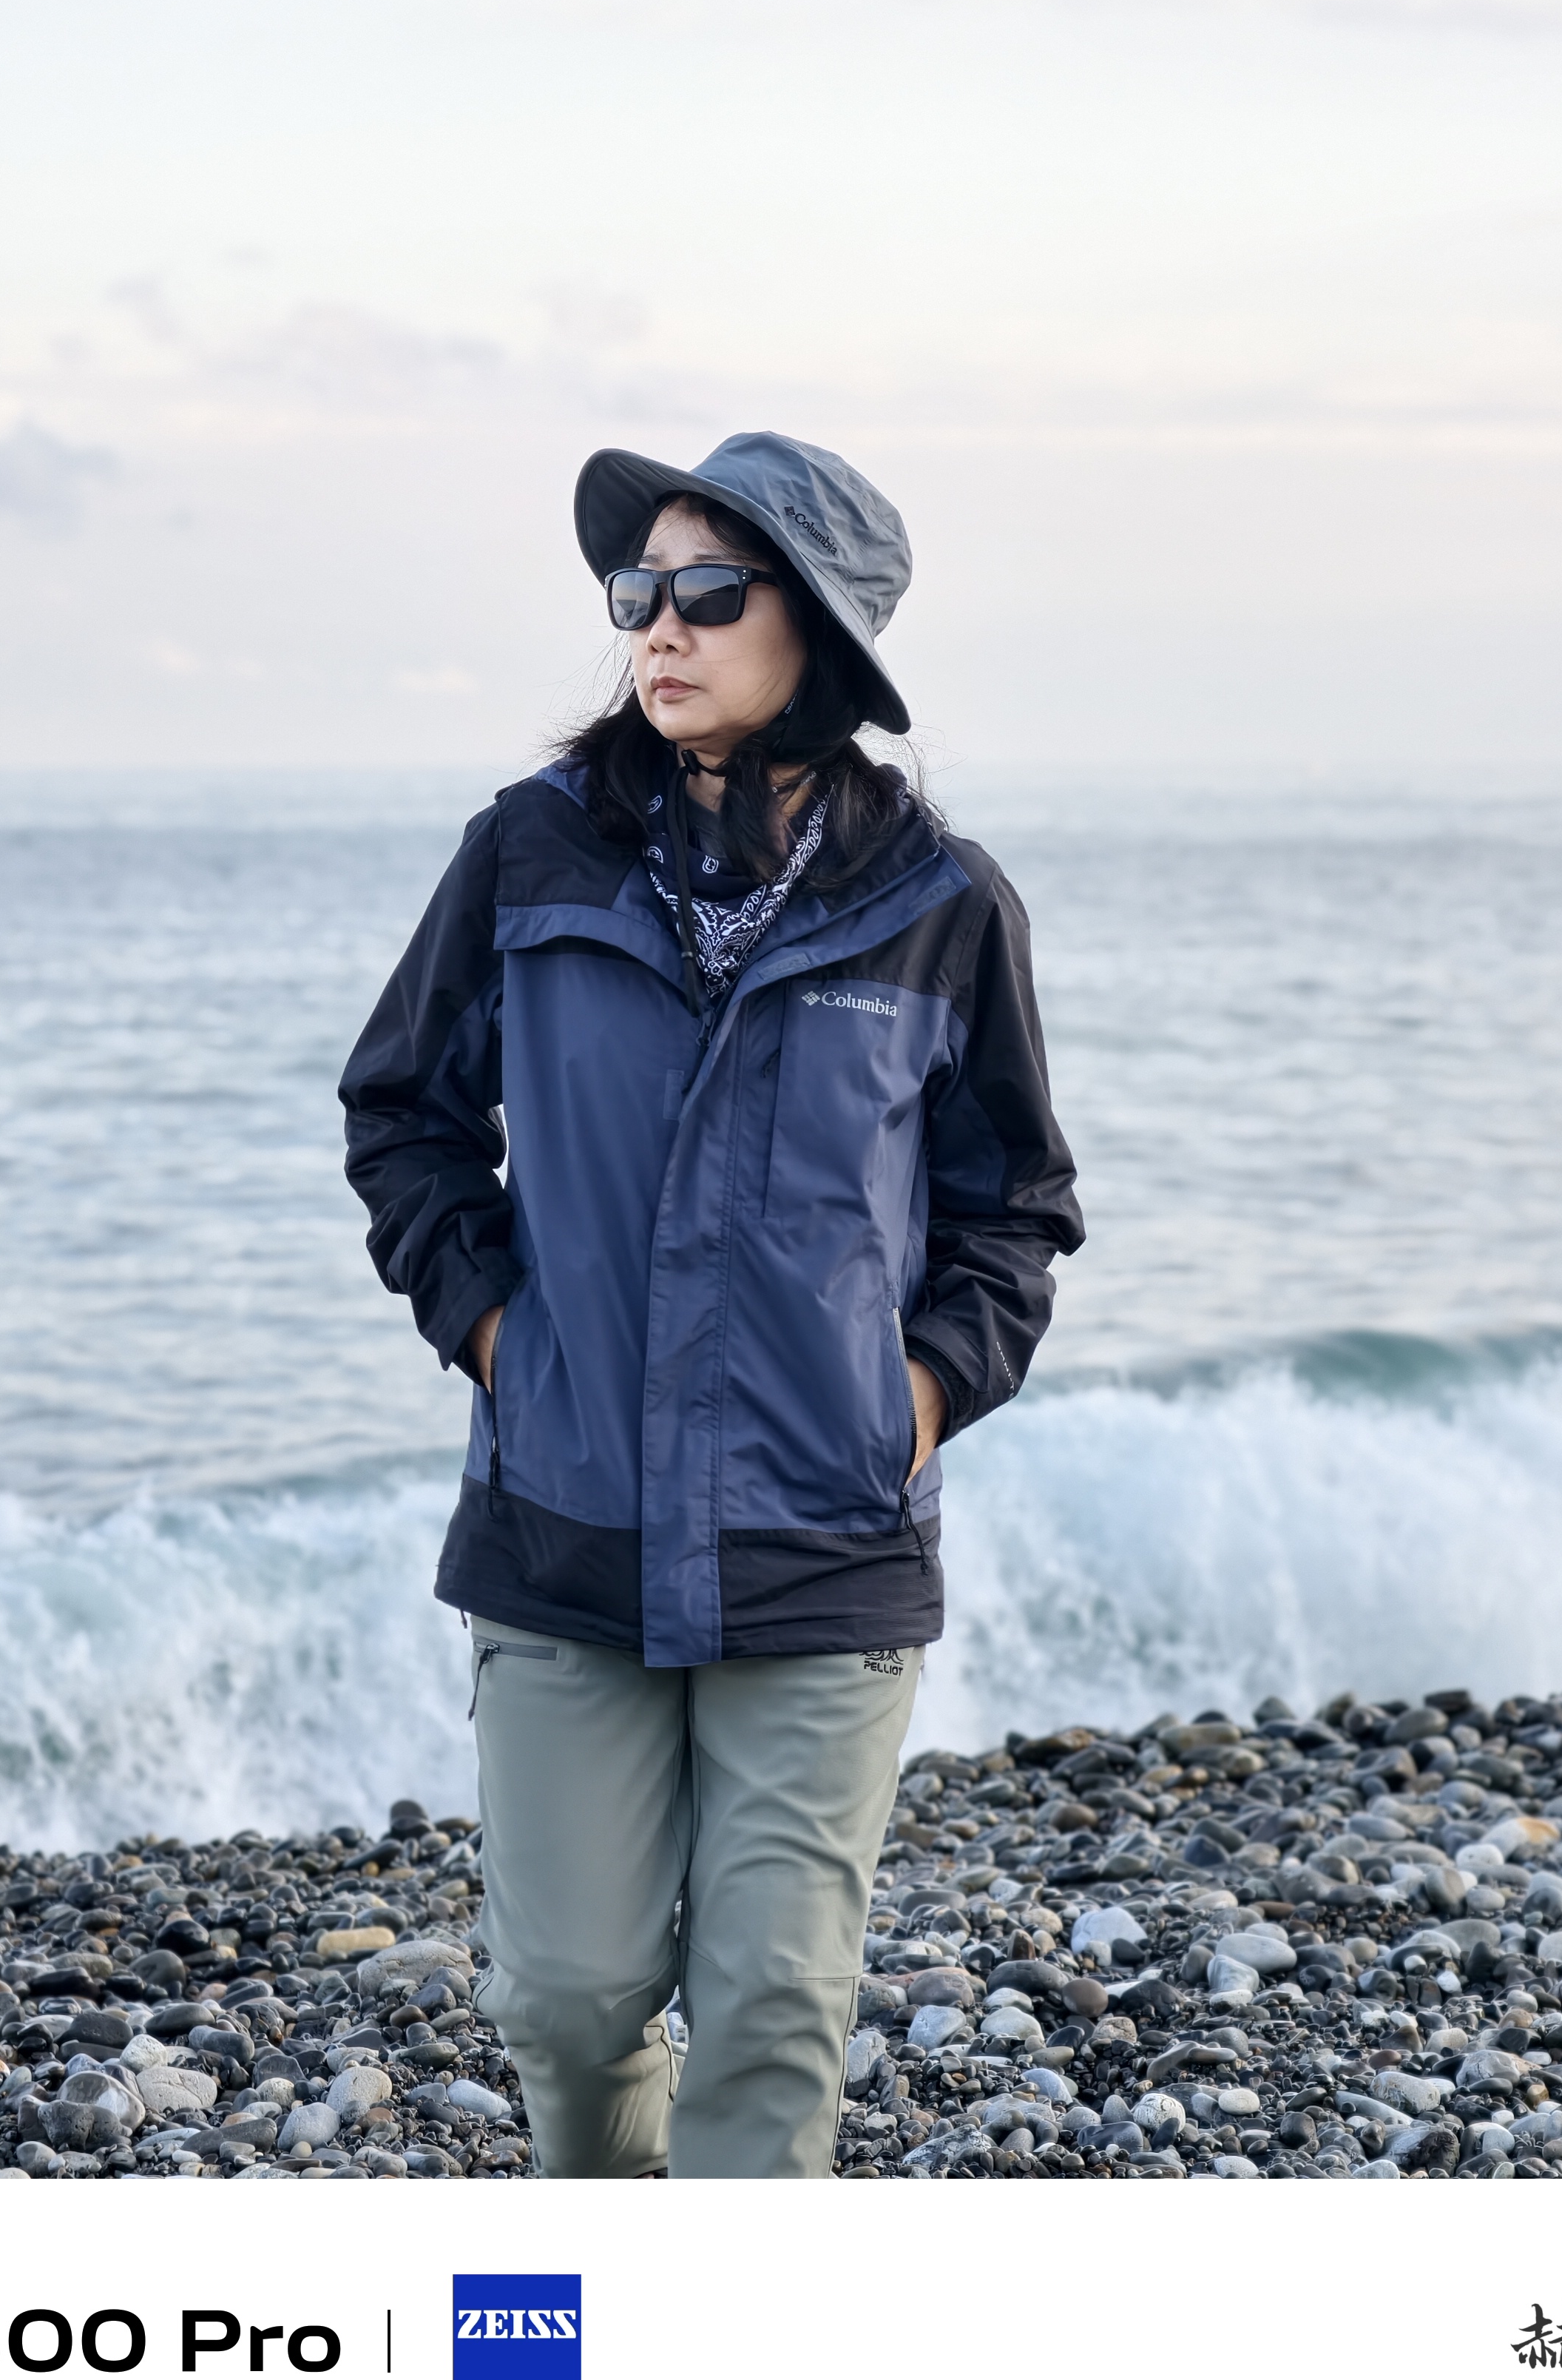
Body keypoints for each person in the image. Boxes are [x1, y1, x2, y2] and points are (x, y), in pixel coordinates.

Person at [340, 431, 1081, 2177]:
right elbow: (404, 1114)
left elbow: (1014, 1210)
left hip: (825, 1541)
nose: (657, 625)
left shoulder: (938, 907)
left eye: (708, 590)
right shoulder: (531, 855)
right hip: (564, 1522)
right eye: (638, 589)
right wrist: (499, 1336)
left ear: (816, 628)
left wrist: (912, 1395)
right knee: (567, 1996)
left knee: (772, 2009)